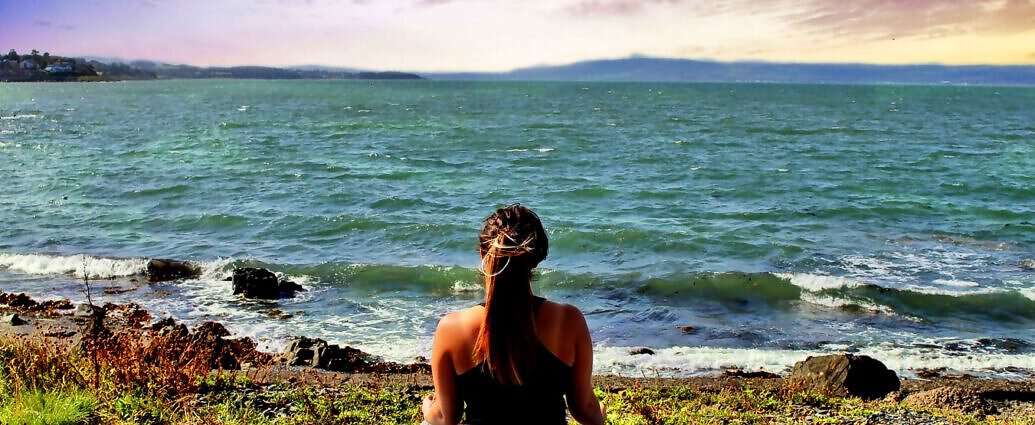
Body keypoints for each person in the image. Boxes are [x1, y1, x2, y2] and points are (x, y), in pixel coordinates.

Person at [421, 204, 605, 425]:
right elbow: (584, 409)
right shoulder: (568, 320)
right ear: (535, 260)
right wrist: (599, 414)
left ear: (482, 254)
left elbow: (445, 417)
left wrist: (428, 408)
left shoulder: (452, 327)